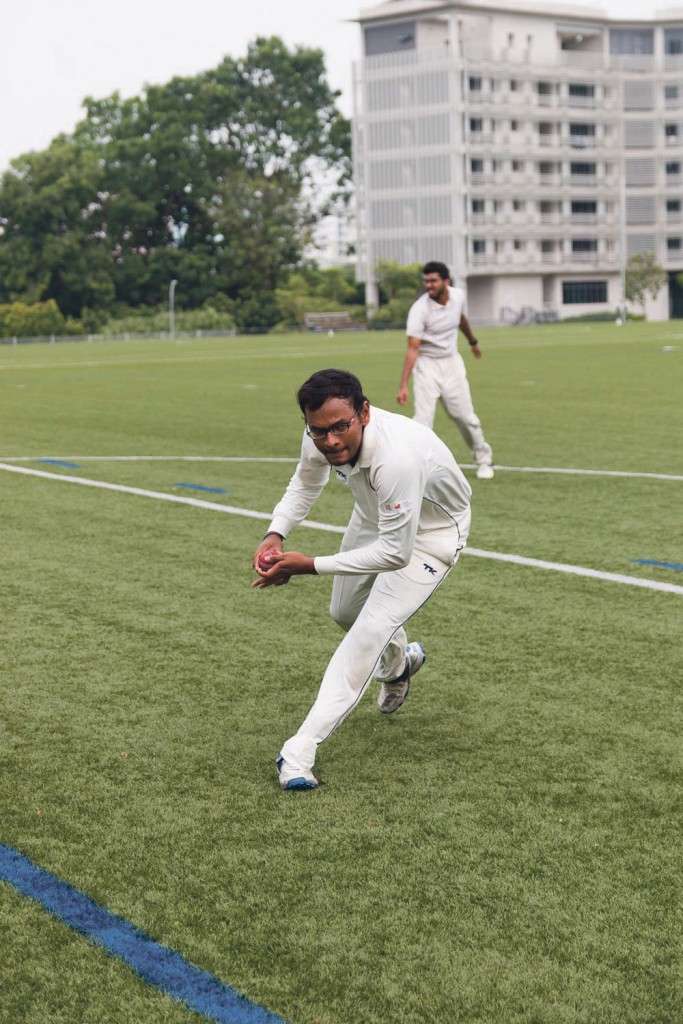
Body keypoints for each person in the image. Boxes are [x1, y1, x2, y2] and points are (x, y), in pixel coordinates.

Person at [252, 368, 472, 791]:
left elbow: (396, 553)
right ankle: (399, 667)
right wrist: (275, 533)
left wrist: (309, 564)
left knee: (368, 631)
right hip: (378, 516)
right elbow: (305, 482)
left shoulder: (396, 458)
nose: (331, 441)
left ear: (364, 413)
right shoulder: (319, 432)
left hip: (431, 537)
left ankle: (298, 752)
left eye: (340, 427)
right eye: (319, 431)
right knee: (344, 611)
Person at [398, 260, 495, 480]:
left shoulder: (458, 296)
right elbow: (412, 348)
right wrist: (403, 385)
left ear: (446, 281)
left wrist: (472, 341)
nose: (428, 285)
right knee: (422, 421)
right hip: (427, 366)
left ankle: (483, 460)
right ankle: (417, 468)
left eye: (433, 281)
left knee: (465, 417)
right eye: (426, 281)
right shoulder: (419, 310)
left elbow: (461, 319)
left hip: (452, 364)